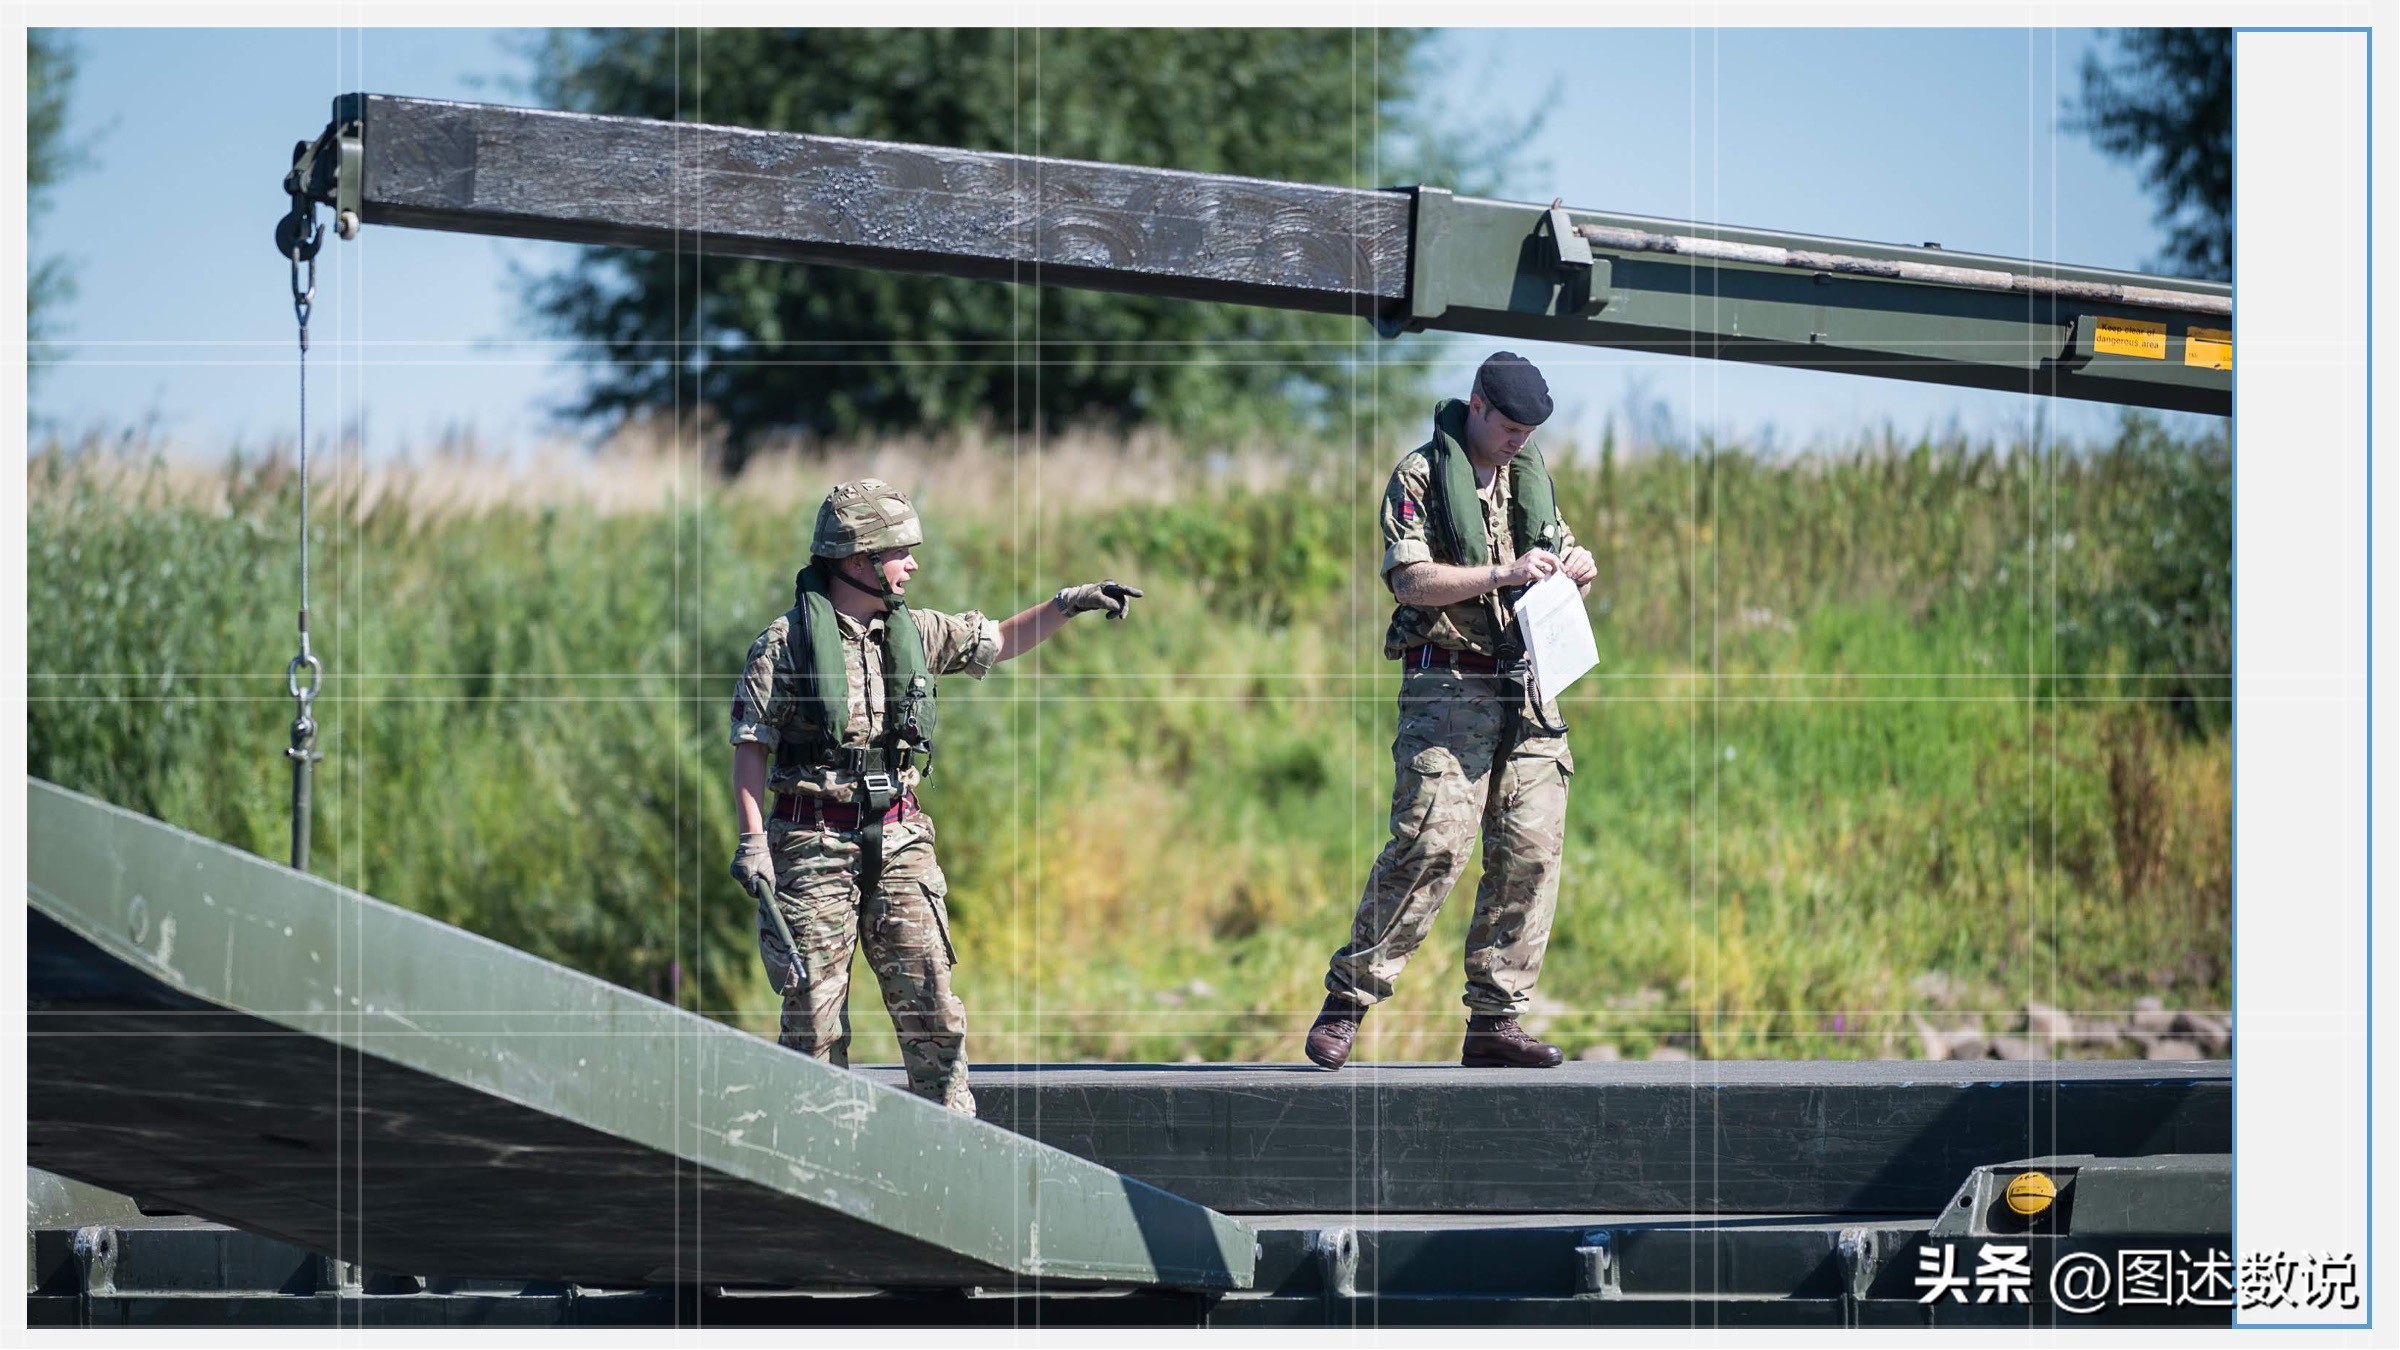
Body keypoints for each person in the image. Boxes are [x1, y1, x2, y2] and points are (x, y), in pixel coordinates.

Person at [729, 479, 1139, 1115]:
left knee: (933, 1005)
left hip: (900, 837)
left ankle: (954, 1153)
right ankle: (816, 1166)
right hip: (811, 845)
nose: (913, 564)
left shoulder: (916, 632)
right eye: (900, 551)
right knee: (812, 1019)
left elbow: (999, 640)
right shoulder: (784, 647)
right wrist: (754, 844)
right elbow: (751, 745)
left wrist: (1069, 603)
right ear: (858, 558)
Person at [1305, 352, 1597, 1071]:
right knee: (1431, 841)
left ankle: (1496, 1022)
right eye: (1508, 426)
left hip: (1526, 688)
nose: (1517, 441)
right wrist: (1502, 572)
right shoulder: (1419, 477)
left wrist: (1576, 573)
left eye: (1529, 431)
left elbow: (1549, 572)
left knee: (1530, 851)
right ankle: (1349, 999)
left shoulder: (1530, 485)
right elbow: (1411, 580)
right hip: (1449, 687)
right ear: (1476, 405)